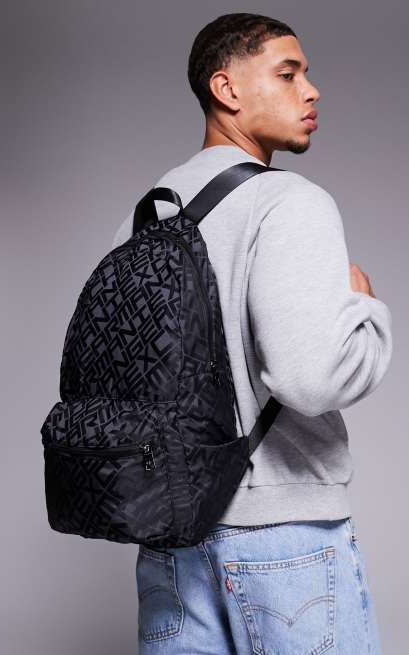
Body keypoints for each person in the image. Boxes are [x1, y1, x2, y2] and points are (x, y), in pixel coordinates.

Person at [111, 12, 392, 654]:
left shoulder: (146, 214)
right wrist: (368, 313)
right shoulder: (289, 202)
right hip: (283, 536)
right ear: (226, 88)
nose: (311, 90)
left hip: (169, 534)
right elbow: (308, 380)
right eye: (287, 74)